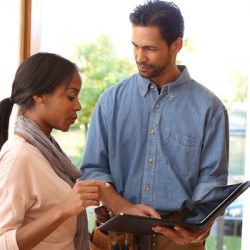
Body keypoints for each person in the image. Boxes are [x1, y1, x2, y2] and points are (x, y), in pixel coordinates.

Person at [80, 1, 229, 249]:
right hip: (115, 235)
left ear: (176, 45)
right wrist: (123, 207)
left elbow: (211, 186)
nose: (140, 57)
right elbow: (93, 172)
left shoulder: (210, 109)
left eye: (149, 48)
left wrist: (198, 230)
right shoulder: (110, 102)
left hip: (177, 240)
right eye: (135, 46)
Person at [0, 52, 109, 250]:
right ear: (39, 95)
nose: (78, 105)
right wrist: (64, 209)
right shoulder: (19, 155)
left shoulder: (46, 152)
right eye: (70, 96)